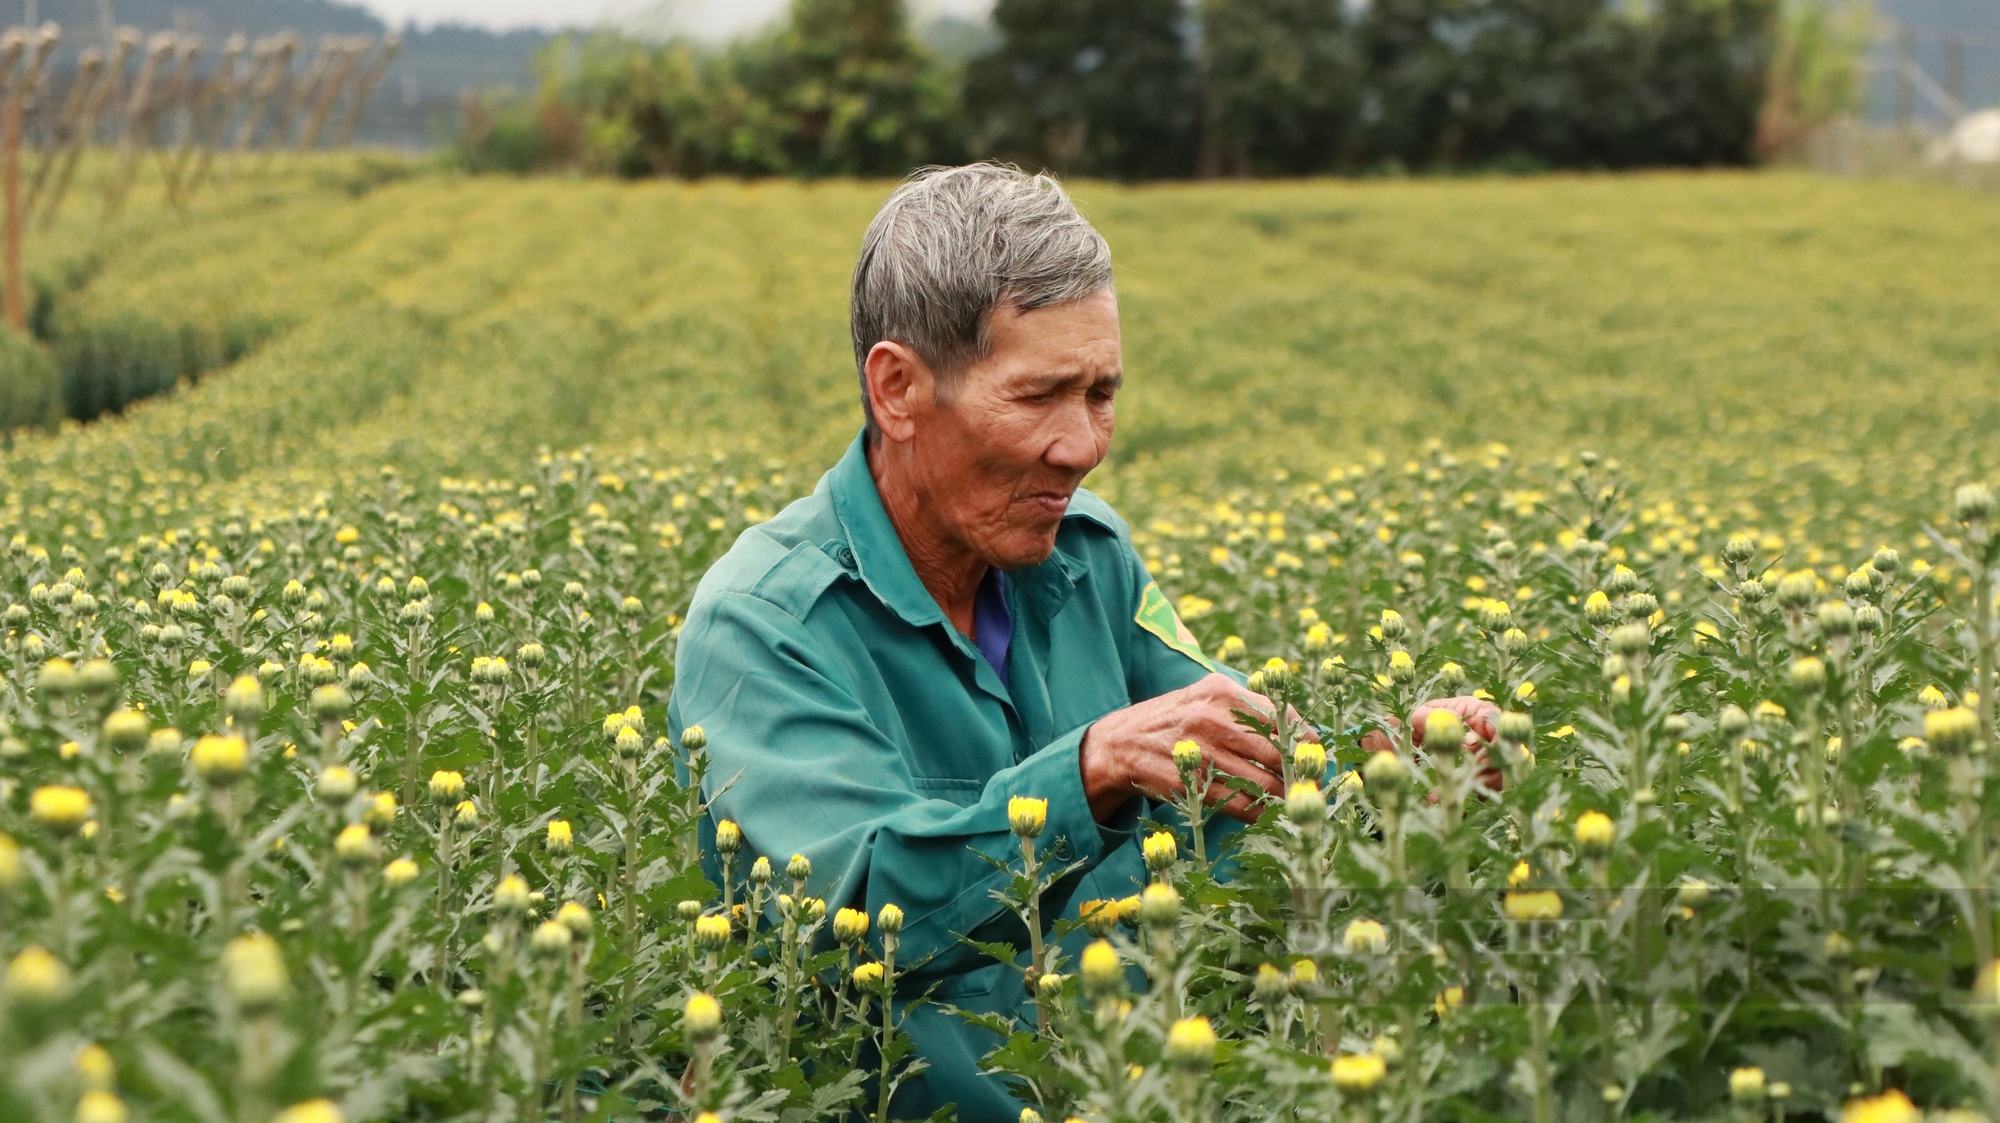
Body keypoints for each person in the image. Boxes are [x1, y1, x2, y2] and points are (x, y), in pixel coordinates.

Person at [664, 163, 1495, 1120]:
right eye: (1038, 396)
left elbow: (1238, 771)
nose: (1083, 444)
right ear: (896, 389)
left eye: (1101, 392)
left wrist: (1391, 780)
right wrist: (1087, 774)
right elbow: (839, 911)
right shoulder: (768, 621)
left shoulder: (1084, 556)